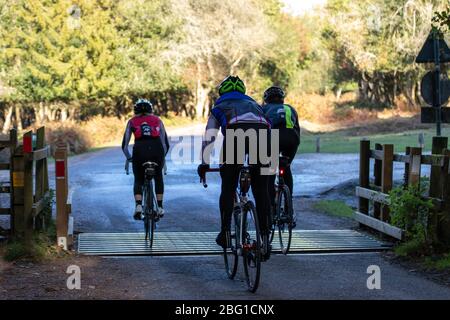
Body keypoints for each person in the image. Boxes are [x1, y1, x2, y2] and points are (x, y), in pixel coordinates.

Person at [197, 76, 272, 255]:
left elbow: (210, 136)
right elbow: (269, 129)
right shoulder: (257, 106)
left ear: (222, 93)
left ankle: (224, 232)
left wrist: (205, 163)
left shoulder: (219, 107)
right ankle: (265, 238)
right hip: (265, 138)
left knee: (228, 187)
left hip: (235, 137)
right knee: (262, 190)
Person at [122, 99, 170, 220]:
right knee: (158, 177)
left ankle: (138, 206)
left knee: (138, 178)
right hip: (156, 150)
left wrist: (130, 158)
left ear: (135, 111)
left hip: (140, 150)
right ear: (151, 110)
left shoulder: (132, 121)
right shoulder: (158, 120)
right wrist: (162, 158)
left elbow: (124, 146)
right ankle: (159, 206)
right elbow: (165, 144)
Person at [262, 86, 300, 213]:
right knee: (286, 167)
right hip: (292, 138)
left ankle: (271, 207)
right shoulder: (291, 109)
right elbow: (297, 130)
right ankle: (289, 208)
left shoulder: (264, 109)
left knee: (270, 171)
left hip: (273, 137)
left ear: (266, 100)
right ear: (282, 99)